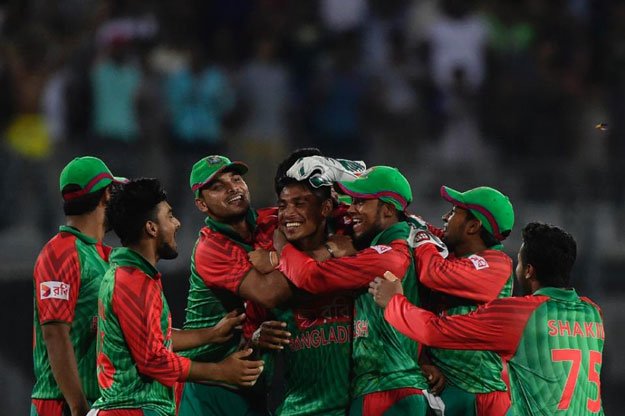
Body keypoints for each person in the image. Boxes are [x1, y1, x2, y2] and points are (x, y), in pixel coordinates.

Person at [371, 222, 605, 416]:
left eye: (520, 261)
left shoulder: (519, 314)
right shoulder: (593, 313)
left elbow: (435, 331)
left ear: (528, 271)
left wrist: (394, 302)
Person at [92, 178, 264, 415]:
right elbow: (154, 360)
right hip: (132, 408)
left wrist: (210, 335)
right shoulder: (132, 282)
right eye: (170, 216)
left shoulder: (134, 275)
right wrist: (221, 371)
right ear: (151, 228)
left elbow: (149, 338)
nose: (178, 223)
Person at [275, 166, 431, 416]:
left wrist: (281, 248)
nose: (351, 208)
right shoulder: (380, 251)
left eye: (361, 202)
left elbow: (310, 277)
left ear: (388, 210)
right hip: (390, 388)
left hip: (385, 388)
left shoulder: (388, 255)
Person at [178, 155, 291, 416]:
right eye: (217, 187)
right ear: (201, 205)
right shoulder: (210, 248)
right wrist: (283, 255)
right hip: (210, 382)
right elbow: (269, 294)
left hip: (251, 375)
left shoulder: (270, 222)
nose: (233, 188)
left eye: (236, 179)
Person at [248, 152, 354, 415]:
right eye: (283, 205)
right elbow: (254, 376)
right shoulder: (268, 278)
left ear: (326, 208)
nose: (289, 214)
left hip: (354, 408)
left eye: (300, 203)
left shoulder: (354, 249)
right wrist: (256, 340)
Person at [408, 186, 515, 415]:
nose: (446, 217)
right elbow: (426, 231)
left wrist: (421, 236)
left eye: (454, 211)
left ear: (473, 226)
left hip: (480, 395)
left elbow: (434, 272)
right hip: (449, 388)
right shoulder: (456, 254)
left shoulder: (496, 264)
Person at [31, 156, 125, 416]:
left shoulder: (105, 255)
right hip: (61, 404)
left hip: (100, 401)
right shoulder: (60, 253)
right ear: (106, 195)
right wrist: (78, 406)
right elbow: (55, 334)